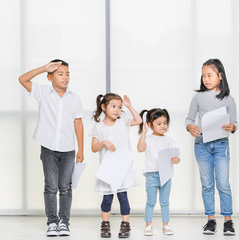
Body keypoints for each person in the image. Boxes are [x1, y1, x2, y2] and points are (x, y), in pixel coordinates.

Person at [19, 59, 84, 237]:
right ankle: (52, 222)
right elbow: (22, 79)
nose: (65, 77)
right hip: (48, 147)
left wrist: (81, 150)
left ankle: (64, 222)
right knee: (50, 186)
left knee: (65, 187)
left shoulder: (74, 98)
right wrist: (43, 68)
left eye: (67, 74)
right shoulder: (42, 92)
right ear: (50, 77)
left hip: (68, 149)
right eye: (60, 74)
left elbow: (78, 124)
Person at [185, 59, 237, 235]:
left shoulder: (229, 100)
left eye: (210, 75)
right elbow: (189, 120)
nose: (206, 79)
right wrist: (190, 127)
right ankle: (210, 220)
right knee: (207, 184)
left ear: (220, 76)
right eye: (203, 75)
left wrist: (232, 127)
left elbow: (234, 123)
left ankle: (228, 221)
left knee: (223, 183)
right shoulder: (198, 97)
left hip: (221, 145)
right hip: (202, 145)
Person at [91, 93, 142, 238]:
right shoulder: (98, 127)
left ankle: (125, 225)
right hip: (107, 169)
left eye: (119, 107)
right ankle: (105, 225)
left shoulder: (123, 122)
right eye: (113, 106)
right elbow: (94, 148)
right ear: (104, 107)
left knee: (123, 196)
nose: (117, 110)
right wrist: (103, 142)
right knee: (107, 198)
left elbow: (138, 120)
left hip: (122, 168)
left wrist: (129, 106)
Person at [137, 108, 180, 236]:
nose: (163, 126)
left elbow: (176, 156)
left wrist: (176, 159)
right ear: (150, 125)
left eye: (165, 123)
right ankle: (148, 225)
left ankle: (165, 225)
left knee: (165, 201)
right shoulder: (148, 139)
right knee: (151, 201)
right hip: (152, 174)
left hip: (166, 174)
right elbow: (140, 149)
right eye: (159, 123)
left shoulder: (169, 140)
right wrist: (143, 133)